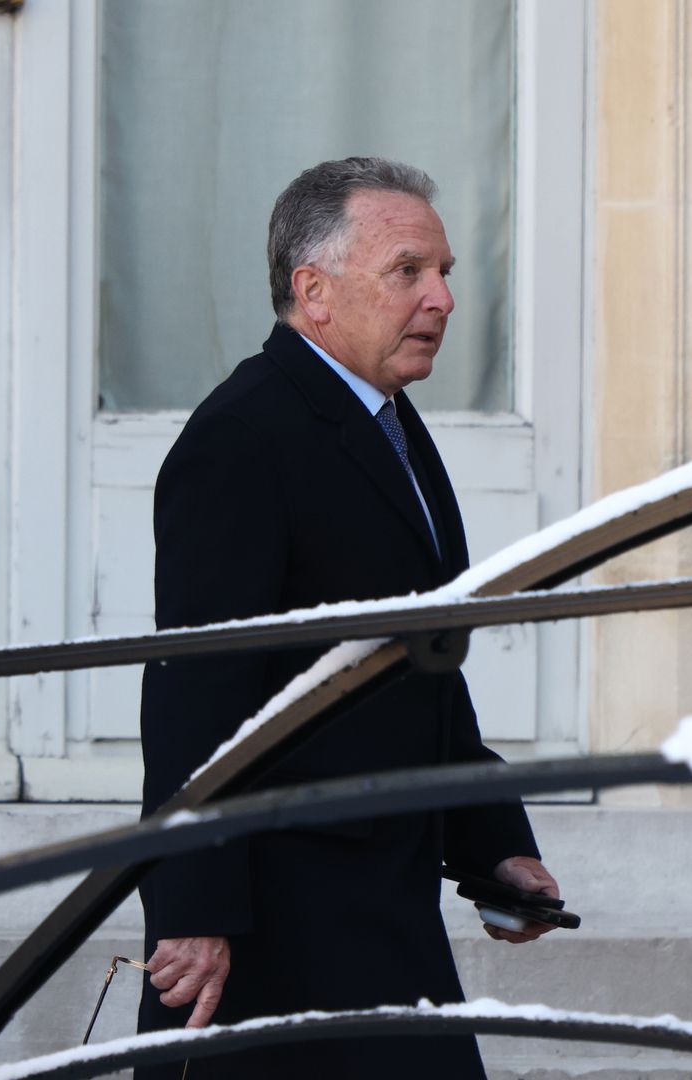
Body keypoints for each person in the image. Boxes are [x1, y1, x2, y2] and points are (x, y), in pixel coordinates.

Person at [135, 157, 559, 1078]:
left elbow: (419, 675)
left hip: (384, 903)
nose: (442, 298)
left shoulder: (391, 424)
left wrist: (496, 845)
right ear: (313, 290)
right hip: (274, 923)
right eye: (409, 271)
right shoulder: (243, 435)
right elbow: (194, 689)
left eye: (445, 272)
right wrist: (193, 910)